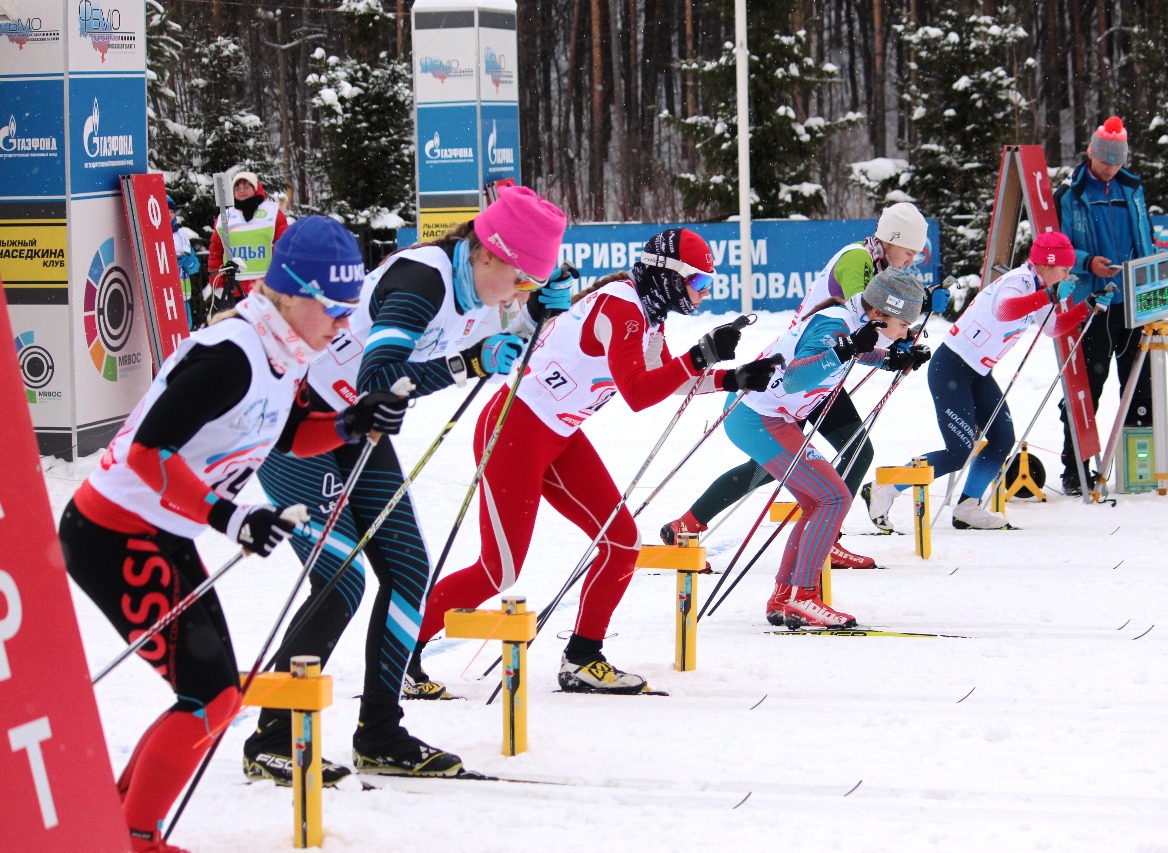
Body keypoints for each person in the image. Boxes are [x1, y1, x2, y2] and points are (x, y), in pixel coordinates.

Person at [58, 217, 405, 853]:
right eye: (334, 307)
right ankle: (132, 837)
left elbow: (295, 434)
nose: (342, 324)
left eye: (350, 309)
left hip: (155, 529)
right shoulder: (232, 355)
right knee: (211, 697)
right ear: (293, 293)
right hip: (113, 529)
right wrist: (229, 516)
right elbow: (146, 451)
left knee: (212, 696)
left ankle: (117, 827)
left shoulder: (284, 350)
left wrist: (353, 422)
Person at [242, 186, 570, 783]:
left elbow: (485, 338)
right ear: (489, 253)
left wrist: (533, 313)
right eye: (522, 280)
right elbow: (380, 375)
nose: (518, 291)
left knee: (408, 569)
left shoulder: (473, 282)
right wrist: (468, 364)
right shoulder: (423, 279)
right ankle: (271, 735)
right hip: (294, 424)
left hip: (352, 430)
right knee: (340, 579)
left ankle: (380, 733)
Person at [408, 227, 777, 693]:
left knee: (622, 541)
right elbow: (638, 393)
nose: (702, 297)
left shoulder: (647, 313)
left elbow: (670, 379)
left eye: (708, 287)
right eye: (698, 284)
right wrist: (699, 356)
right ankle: (399, 650)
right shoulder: (621, 309)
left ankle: (583, 656)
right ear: (667, 276)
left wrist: (733, 378)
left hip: (558, 435)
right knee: (497, 570)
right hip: (513, 431)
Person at [659, 202, 948, 569]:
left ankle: (689, 524)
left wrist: (895, 355)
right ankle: (825, 536)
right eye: (908, 253)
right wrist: (894, 347)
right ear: (891, 240)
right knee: (829, 457)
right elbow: (864, 329)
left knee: (776, 465)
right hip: (802, 373)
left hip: (820, 377)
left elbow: (866, 340)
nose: (909, 261)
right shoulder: (857, 259)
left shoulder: (879, 267)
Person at [722, 266, 930, 628]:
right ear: (879, 315)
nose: (905, 333)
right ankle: (803, 596)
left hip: (768, 416)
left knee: (817, 501)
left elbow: (851, 351)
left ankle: (785, 596)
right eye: (902, 325)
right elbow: (795, 378)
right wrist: (849, 348)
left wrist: (888, 359)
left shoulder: (850, 322)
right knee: (834, 497)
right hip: (756, 416)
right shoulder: (835, 323)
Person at [864, 231, 1100, 533]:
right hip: (952, 369)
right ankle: (883, 488)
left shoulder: (1039, 287)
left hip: (977, 372)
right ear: (1047, 264)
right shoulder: (1020, 282)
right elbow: (1005, 310)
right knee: (957, 452)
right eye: (1065, 269)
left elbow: (1052, 328)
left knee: (1002, 438)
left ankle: (968, 508)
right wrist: (1050, 296)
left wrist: (1087, 307)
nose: (1069, 275)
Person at [1054, 116, 1157, 495]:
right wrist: (1088, 262)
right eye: (1105, 162)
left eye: (1117, 162)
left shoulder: (1132, 188)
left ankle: (1138, 467)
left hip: (1133, 299)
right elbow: (1059, 248)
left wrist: (1151, 281)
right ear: (1091, 155)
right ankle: (1074, 468)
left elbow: (1145, 236)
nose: (1111, 169)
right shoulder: (1071, 192)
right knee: (1086, 387)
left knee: (1139, 384)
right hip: (1092, 303)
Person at [208, 171, 289, 308]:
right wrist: (218, 283)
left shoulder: (272, 212)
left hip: (265, 288)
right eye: (237, 188)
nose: (242, 191)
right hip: (234, 288)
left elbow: (284, 248)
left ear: (255, 187)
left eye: (246, 186)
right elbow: (216, 251)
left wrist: (280, 279)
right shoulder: (225, 217)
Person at [167, 195, 201, 329]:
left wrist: (187, 261)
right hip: (164, 296)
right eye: (166, 210)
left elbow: (194, 267)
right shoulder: (151, 234)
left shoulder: (180, 234)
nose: (169, 214)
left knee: (185, 331)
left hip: (182, 296)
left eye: (171, 211)